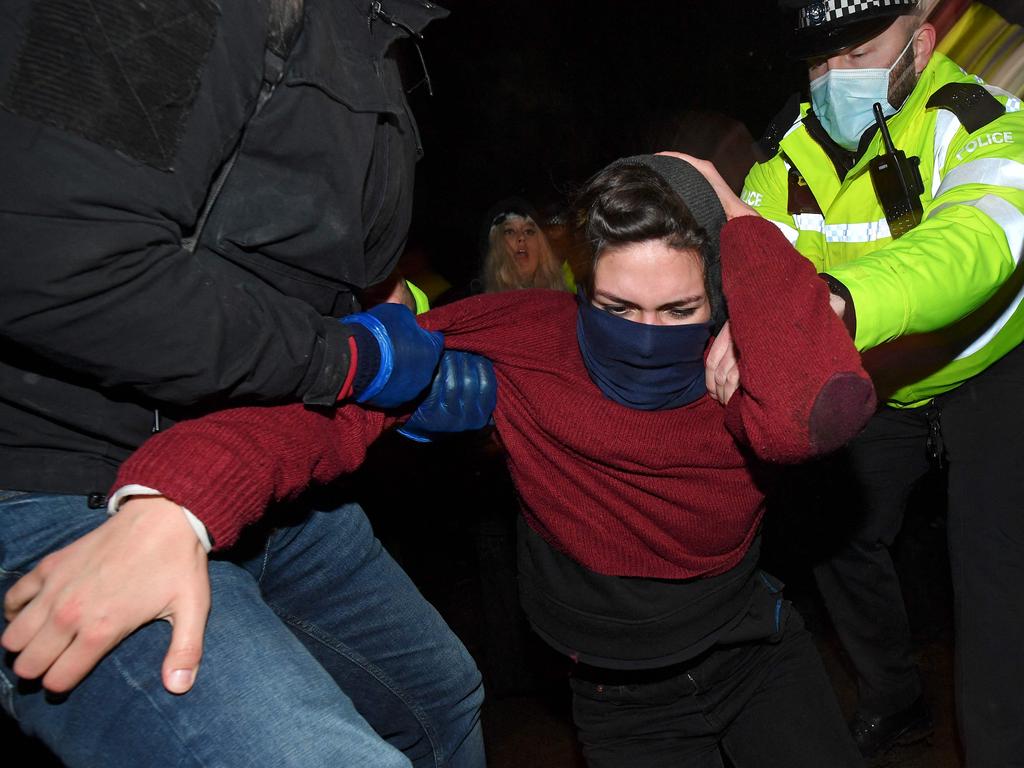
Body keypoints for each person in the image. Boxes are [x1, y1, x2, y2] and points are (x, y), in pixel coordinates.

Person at [95, 153, 877, 767]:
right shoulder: (522, 336)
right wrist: (176, 500)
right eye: (617, 308)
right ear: (582, 285)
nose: (646, 332)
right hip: (621, 699)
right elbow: (334, 399)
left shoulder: (745, 360)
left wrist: (733, 213)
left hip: (757, 653)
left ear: (719, 296)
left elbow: (815, 417)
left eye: (678, 311)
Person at [0, 1, 485, 766]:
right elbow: (56, 263)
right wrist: (354, 362)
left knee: (439, 698)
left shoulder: (379, 37)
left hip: (264, 473)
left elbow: (313, 263)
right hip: (65, 476)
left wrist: (385, 326)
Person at [739, 1, 1024, 762]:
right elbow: (756, 255)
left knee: (995, 578)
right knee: (830, 530)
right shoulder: (785, 154)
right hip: (881, 383)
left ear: (921, 45)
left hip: (992, 371)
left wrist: (841, 300)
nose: (837, 77)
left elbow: (982, 234)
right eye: (821, 61)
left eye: (860, 51)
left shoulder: (979, 115)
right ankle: (896, 696)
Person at [481, 197, 574, 292]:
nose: (521, 238)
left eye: (528, 231)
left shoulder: (566, 302)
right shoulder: (479, 305)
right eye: (510, 231)